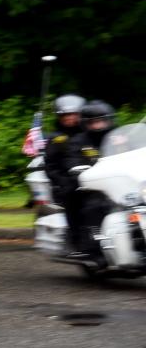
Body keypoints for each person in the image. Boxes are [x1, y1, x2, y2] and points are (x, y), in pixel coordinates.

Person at [45, 99, 115, 260]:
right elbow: (64, 161)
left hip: (114, 181)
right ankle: (85, 243)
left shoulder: (117, 137)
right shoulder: (73, 140)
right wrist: (69, 176)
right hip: (81, 182)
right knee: (86, 202)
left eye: (101, 121)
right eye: (93, 122)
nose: (98, 125)